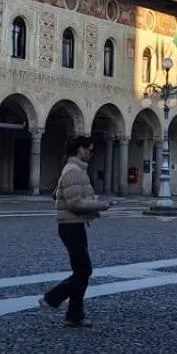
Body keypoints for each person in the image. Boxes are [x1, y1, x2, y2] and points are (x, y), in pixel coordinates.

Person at [42, 136, 112, 328]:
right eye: (89, 149)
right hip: (70, 224)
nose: (91, 153)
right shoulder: (73, 171)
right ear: (79, 150)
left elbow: (59, 194)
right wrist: (100, 205)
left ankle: (74, 314)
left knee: (81, 271)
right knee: (84, 270)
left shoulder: (75, 170)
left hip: (73, 224)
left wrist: (91, 200)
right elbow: (74, 203)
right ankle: (53, 298)